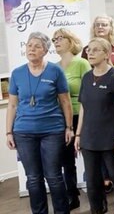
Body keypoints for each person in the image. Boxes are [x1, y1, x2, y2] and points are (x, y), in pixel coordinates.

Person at [6, 31, 74, 214]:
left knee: (53, 176)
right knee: (33, 178)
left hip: (52, 130)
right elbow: (12, 105)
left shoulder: (55, 71)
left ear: (45, 50)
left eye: (37, 46)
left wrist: (69, 127)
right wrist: (8, 132)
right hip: (23, 132)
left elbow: (65, 101)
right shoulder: (17, 73)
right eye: (29, 45)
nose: (32, 49)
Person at [75, 38, 114, 214]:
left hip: (111, 138)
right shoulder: (87, 77)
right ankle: (97, 209)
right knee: (92, 179)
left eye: (96, 50)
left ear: (106, 54)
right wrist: (78, 134)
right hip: (89, 138)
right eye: (89, 50)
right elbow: (83, 108)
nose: (90, 53)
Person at [52, 28, 91, 210]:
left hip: (83, 115)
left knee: (91, 157)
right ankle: (72, 195)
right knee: (66, 160)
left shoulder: (82, 63)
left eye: (60, 38)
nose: (56, 41)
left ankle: (97, 194)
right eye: (54, 39)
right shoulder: (54, 67)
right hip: (62, 118)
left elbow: (89, 91)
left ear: (71, 41)